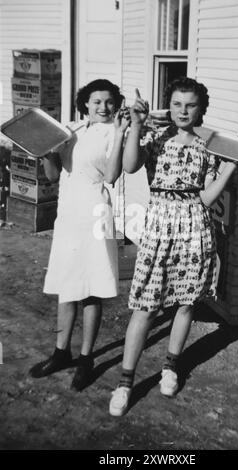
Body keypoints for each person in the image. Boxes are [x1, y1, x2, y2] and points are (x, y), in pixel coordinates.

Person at [109, 77, 238, 416]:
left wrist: (230, 168)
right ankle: (125, 382)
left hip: (194, 227)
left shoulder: (209, 146)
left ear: (200, 108)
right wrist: (136, 125)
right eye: (177, 104)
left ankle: (170, 366)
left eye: (190, 105)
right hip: (159, 227)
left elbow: (206, 198)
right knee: (146, 305)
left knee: (185, 303)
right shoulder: (155, 136)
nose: (183, 110)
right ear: (170, 106)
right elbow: (129, 165)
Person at [30, 79, 130, 391]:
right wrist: (48, 152)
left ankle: (86, 359)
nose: (103, 107)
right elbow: (53, 174)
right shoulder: (69, 130)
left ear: (116, 104)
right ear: (85, 103)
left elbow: (113, 176)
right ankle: (61, 353)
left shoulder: (116, 133)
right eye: (96, 101)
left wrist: (121, 132)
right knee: (67, 285)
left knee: (91, 289)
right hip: (69, 216)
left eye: (109, 101)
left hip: (96, 213)